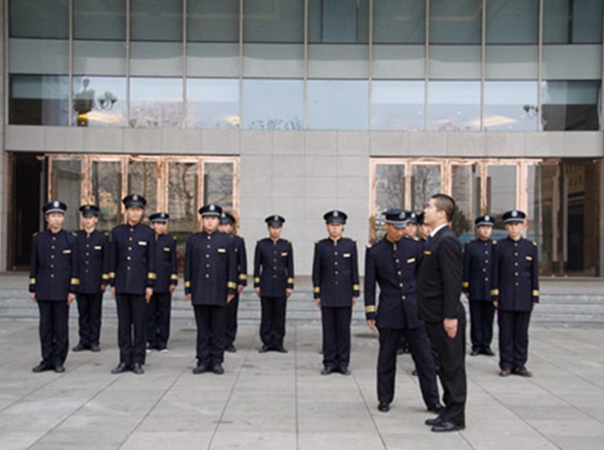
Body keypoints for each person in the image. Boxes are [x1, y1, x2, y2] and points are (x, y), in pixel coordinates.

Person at [365, 208, 442, 414]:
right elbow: (370, 284)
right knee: (386, 359)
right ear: (387, 226)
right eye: (396, 228)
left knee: (424, 359)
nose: (400, 231)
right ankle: (384, 398)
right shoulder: (375, 251)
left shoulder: (415, 247)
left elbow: (423, 280)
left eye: (403, 227)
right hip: (389, 311)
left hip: (414, 311)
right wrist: (370, 313)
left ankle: (433, 401)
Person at [417, 194, 467, 432]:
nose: (425, 210)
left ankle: (456, 417)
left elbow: (452, 281)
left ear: (441, 213)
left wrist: (450, 316)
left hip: (444, 316)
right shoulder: (435, 238)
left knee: (452, 366)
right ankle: (447, 411)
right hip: (433, 314)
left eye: (429, 206)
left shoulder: (447, 240)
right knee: (444, 366)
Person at [185, 204, 237, 375]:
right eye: (207, 218)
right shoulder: (194, 241)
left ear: (218, 220)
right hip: (199, 291)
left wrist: (231, 290)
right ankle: (202, 360)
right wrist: (188, 288)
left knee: (218, 329)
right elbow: (189, 266)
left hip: (219, 292)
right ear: (202, 220)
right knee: (203, 329)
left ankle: (216, 361)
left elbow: (231, 267)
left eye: (213, 219)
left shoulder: (227, 241)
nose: (210, 222)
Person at [29, 201, 79, 373]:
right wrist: (33, 288)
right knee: (45, 327)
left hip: (62, 290)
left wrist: (72, 289)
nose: (56, 219)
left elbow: (74, 266)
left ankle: (59, 360)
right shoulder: (39, 239)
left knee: (60, 327)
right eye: (53, 216)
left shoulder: (70, 239)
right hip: (44, 289)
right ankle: (46, 359)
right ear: (47, 218)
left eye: (59, 216)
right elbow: (34, 265)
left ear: (63, 218)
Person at [109, 194, 156, 375]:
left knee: (139, 324)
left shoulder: (148, 233)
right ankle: (124, 359)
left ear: (142, 212)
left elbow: (151, 261)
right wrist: (113, 283)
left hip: (140, 286)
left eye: (138, 210)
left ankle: (137, 360)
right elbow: (113, 259)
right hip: (122, 284)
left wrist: (149, 285)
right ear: (126, 211)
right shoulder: (117, 232)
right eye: (132, 210)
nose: (135, 213)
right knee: (123, 325)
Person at [491, 210, 539, 378]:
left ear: (522, 226)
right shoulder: (499, 247)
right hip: (505, 295)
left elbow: (533, 274)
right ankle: (506, 364)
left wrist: (535, 294)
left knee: (521, 333)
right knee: (505, 332)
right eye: (510, 225)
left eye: (517, 224)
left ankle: (520, 364)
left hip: (524, 295)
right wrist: (495, 294)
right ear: (506, 227)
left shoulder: (530, 247)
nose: (513, 228)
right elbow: (494, 272)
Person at [312, 210, 359, 375]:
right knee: (329, 331)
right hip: (327, 294)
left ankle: (343, 363)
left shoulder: (350, 245)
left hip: (345, 294)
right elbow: (316, 271)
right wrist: (317, 294)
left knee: (344, 331)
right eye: (332, 225)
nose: (334, 228)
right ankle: (329, 362)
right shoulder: (321, 246)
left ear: (343, 227)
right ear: (327, 226)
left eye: (338, 225)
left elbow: (354, 270)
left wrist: (355, 292)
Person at [254, 215, 294, 353]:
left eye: (277, 228)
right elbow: (257, 266)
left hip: (281, 286)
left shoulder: (286, 245)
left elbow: (290, 267)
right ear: (268, 228)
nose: (275, 230)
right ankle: (266, 342)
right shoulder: (262, 245)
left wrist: (290, 285)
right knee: (266, 315)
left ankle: (278, 342)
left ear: (281, 229)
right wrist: (257, 284)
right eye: (272, 227)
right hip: (266, 285)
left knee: (279, 316)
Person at [73, 204, 109, 353]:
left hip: (95, 282)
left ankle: (94, 340)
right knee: (83, 314)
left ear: (96, 220)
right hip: (81, 281)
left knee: (95, 314)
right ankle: (83, 340)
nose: (88, 221)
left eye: (91, 218)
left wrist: (104, 280)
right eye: (85, 218)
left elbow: (106, 260)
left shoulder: (102, 238)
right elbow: (74, 261)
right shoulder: (76, 237)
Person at [463, 214, 496, 357]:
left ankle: (486, 345)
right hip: (476, 288)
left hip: (490, 289)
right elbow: (466, 268)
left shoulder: (496, 247)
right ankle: (476, 345)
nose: (485, 230)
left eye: (488, 227)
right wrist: (466, 287)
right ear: (478, 229)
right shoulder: (471, 246)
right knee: (476, 318)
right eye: (482, 227)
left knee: (488, 319)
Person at [146, 212, 178, 353]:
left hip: (164, 282)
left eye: (163, 224)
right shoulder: (147, 239)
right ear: (152, 224)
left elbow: (173, 262)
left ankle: (162, 341)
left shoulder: (169, 241)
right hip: (149, 284)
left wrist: (173, 280)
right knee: (150, 313)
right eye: (158, 223)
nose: (160, 226)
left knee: (164, 313)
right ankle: (151, 340)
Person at [218, 211, 247, 353]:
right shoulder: (214, 241)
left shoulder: (237, 241)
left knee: (231, 313)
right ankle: (217, 339)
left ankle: (229, 341)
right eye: (222, 225)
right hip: (216, 282)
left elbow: (243, 262)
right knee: (218, 313)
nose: (225, 228)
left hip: (232, 282)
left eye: (227, 225)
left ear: (231, 227)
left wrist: (242, 281)